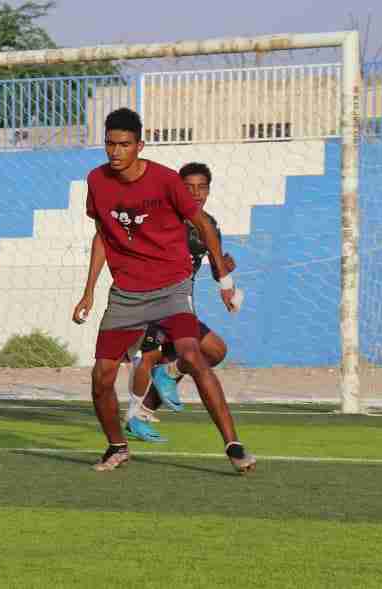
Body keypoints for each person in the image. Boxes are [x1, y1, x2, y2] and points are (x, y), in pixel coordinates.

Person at [72, 107, 255, 474]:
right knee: (101, 377)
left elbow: (202, 223)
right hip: (126, 293)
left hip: (171, 288)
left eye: (124, 144)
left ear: (139, 145)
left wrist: (224, 279)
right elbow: (102, 234)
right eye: (110, 144)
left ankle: (233, 445)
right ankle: (117, 446)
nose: (116, 151)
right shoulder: (97, 180)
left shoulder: (166, 180)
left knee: (193, 354)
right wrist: (88, 291)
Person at [125, 163, 241, 442]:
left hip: (181, 302)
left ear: (209, 191)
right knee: (150, 356)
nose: (196, 193)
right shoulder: (163, 218)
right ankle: (134, 415)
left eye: (202, 187)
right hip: (153, 298)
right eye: (188, 188)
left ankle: (151, 398)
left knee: (214, 351)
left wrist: (225, 274)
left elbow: (216, 268)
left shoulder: (209, 225)